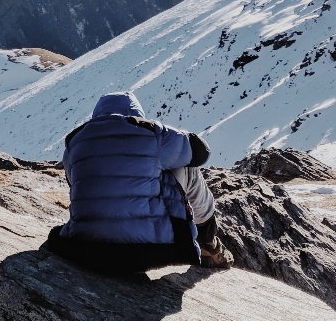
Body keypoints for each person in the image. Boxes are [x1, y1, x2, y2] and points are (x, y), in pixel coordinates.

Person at [47, 92, 234, 273]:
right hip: (148, 249)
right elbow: (201, 152)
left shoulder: (74, 142)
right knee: (187, 167)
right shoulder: (150, 132)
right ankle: (208, 241)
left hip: (85, 246)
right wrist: (168, 135)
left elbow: (75, 183)